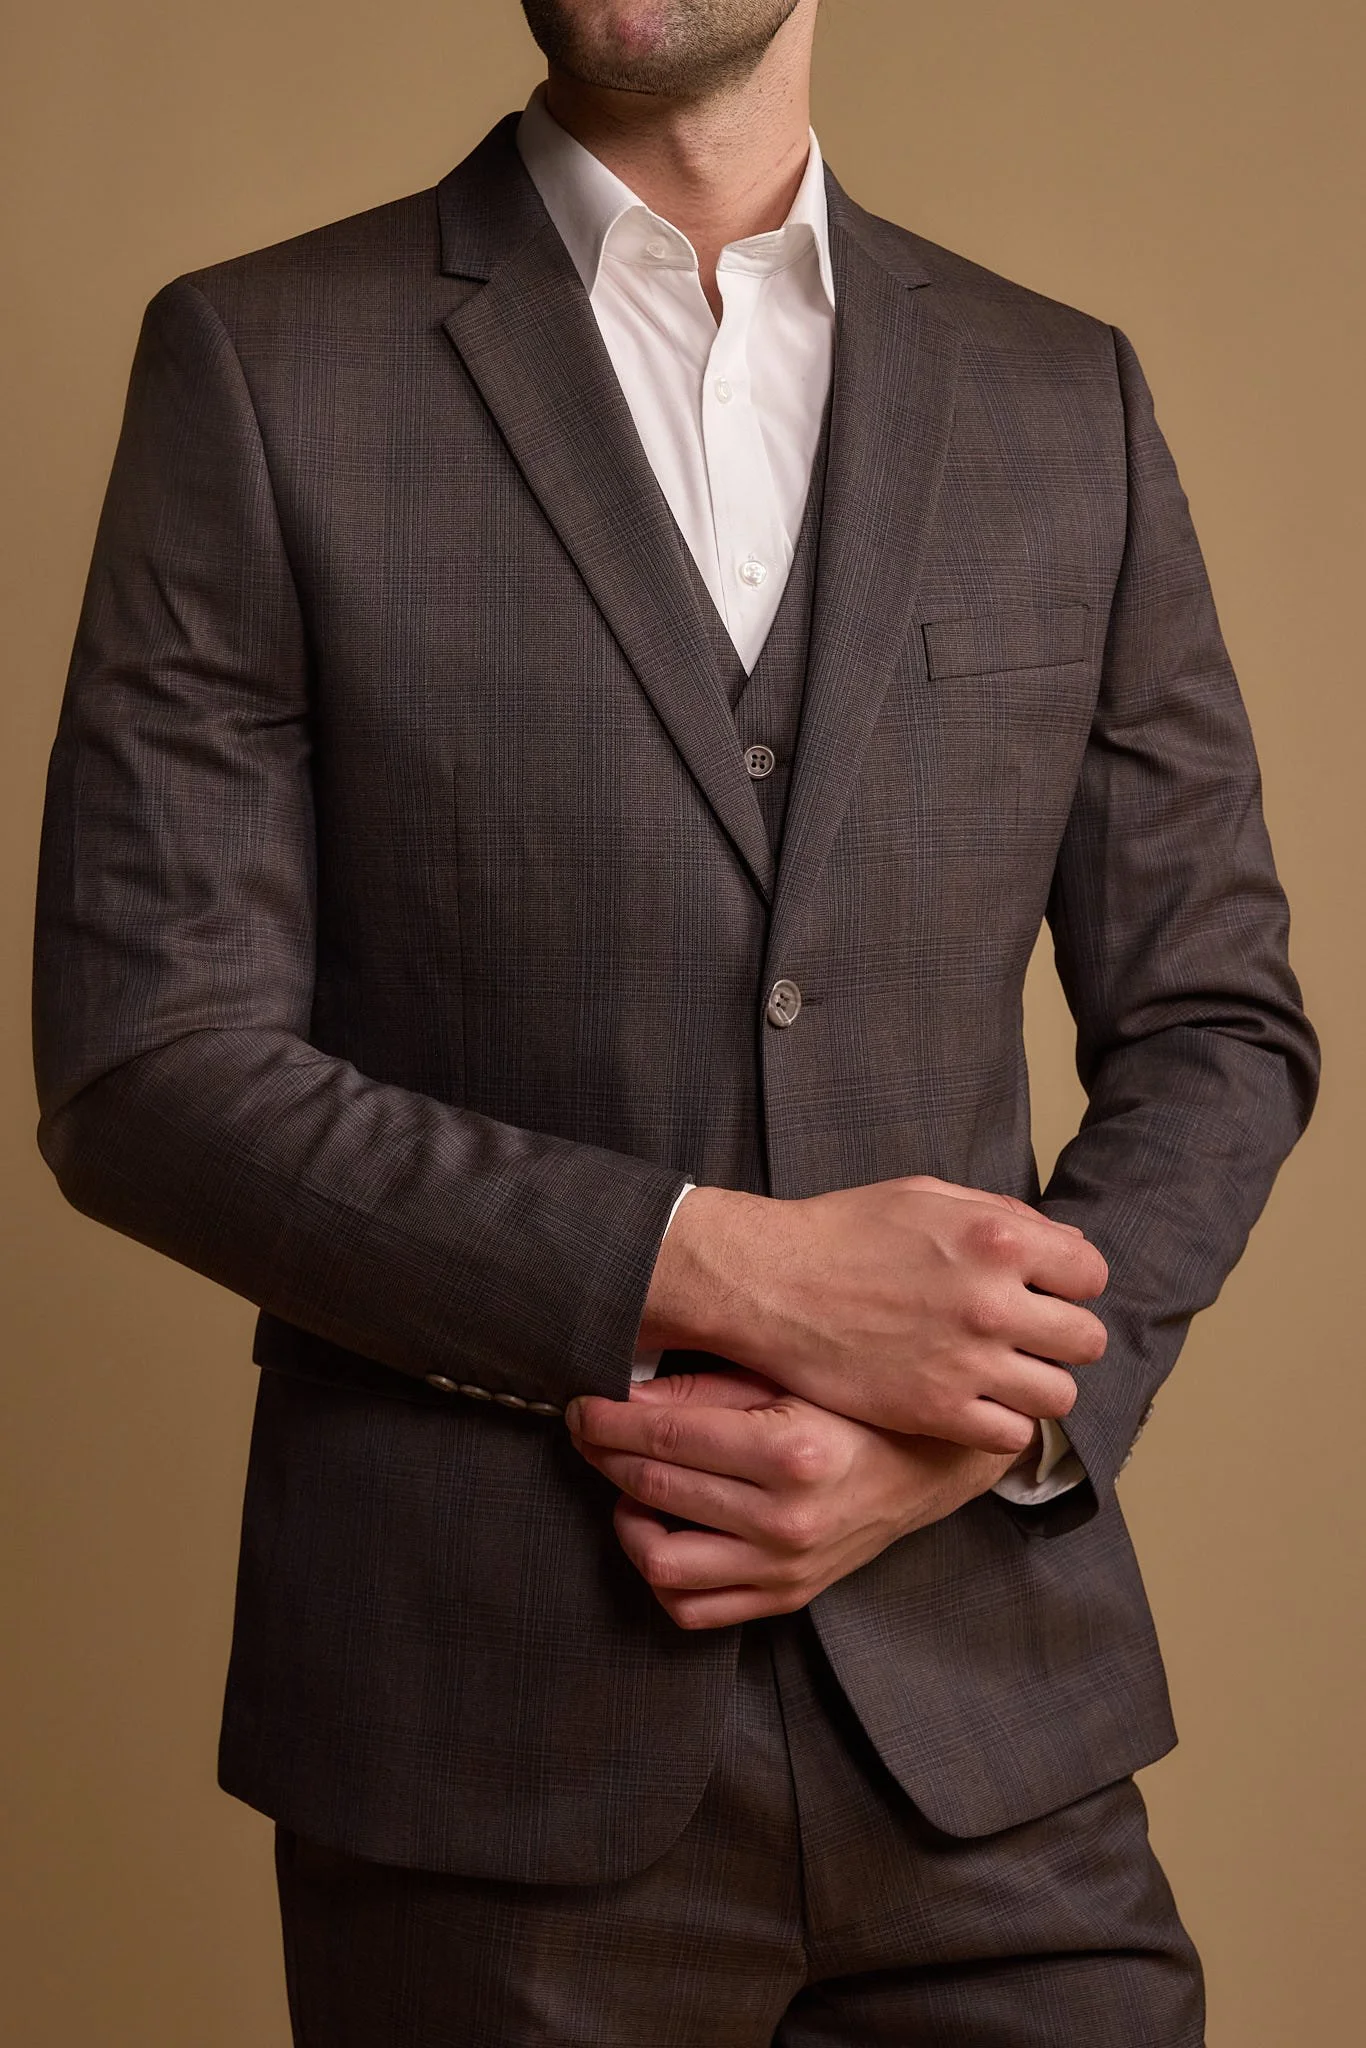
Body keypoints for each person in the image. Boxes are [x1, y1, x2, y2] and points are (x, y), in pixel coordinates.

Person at [33, 3, 1318, 2042]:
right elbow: (147, 1067)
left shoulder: (1055, 389)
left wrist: (989, 1426)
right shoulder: (264, 363)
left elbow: (1215, 1026)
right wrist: (720, 1269)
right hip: (481, 1761)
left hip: (997, 1743)